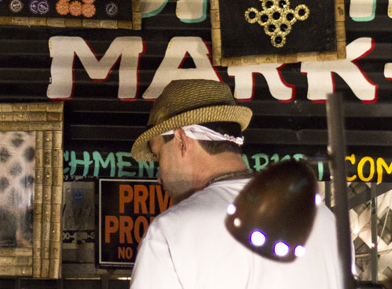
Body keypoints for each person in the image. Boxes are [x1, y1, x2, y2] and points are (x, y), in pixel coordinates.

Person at [129, 78, 347, 289]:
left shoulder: (171, 233)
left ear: (182, 141)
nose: (159, 176)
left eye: (158, 156)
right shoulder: (326, 220)